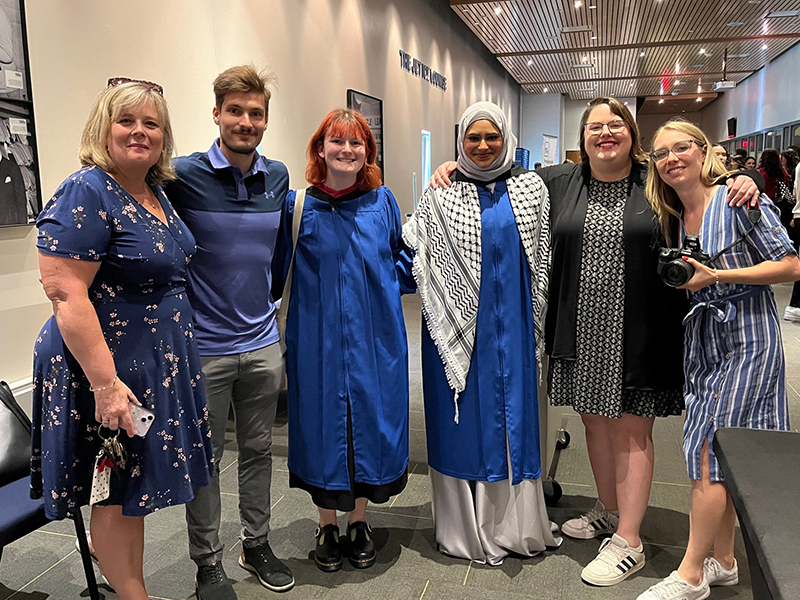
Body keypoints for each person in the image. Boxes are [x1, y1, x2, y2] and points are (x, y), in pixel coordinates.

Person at [429, 97, 760, 586]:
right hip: (579, 326)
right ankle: (608, 511)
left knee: (631, 432)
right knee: (595, 427)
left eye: (615, 125)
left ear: (631, 134)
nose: (605, 134)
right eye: (595, 128)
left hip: (640, 327)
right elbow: (496, 176)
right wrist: (451, 166)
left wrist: (739, 179)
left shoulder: (655, 182)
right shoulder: (559, 181)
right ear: (582, 140)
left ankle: (629, 540)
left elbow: (700, 185)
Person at [30, 78, 214, 600]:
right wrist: (106, 385)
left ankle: (123, 577)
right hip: (106, 369)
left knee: (130, 489)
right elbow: (66, 291)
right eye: (126, 121)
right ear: (103, 129)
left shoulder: (153, 192)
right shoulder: (88, 188)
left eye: (151, 123)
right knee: (116, 489)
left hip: (151, 361)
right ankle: (135, 595)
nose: (139, 132)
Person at [638, 119, 799, 600]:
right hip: (704, 339)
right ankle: (724, 561)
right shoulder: (671, 214)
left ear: (702, 150)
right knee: (720, 447)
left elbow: (791, 263)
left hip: (747, 337)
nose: (671, 159)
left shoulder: (736, 197)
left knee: (708, 449)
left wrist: (719, 276)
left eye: (681, 147)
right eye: (661, 153)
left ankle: (690, 574)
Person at [406, 101, 558, 565]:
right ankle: (464, 531)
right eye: (474, 138)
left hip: (513, 330)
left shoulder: (532, 188)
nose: (484, 146)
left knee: (515, 418)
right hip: (457, 331)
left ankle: (516, 525)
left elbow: (544, 254)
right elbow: (416, 245)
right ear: (460, 142)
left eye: (492, 136)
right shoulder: (441, 191)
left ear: (507, 137)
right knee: (463, 423)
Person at [163, 65, 294, 598]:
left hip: (263, 345)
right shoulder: (181, 175)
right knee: (206, 458)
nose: (245, 121)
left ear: (265, 120)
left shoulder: (279, 176)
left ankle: (256, 542)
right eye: (235, 111)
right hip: (205, 350)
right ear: (216, 113)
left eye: (255, 113)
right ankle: (207, 561)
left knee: (260, 449)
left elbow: (280, 253)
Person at [273, 108, 414, 573]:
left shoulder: (382, 201)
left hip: (375, 338)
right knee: (320, 424)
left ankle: (359, 521)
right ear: (320, 148)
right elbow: (276, 272)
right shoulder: (298, 207)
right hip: (317, 339)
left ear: (367, 153)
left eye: (357, 144)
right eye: (338, 141)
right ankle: (327, 524)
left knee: (369, 423)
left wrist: (384, 291)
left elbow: (402, 259)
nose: (347, 150)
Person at [757, 148, 792, 228]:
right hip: (779, 204)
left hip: (763, 204)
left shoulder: (760, 173)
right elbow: (787, 186)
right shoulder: (783, 173)